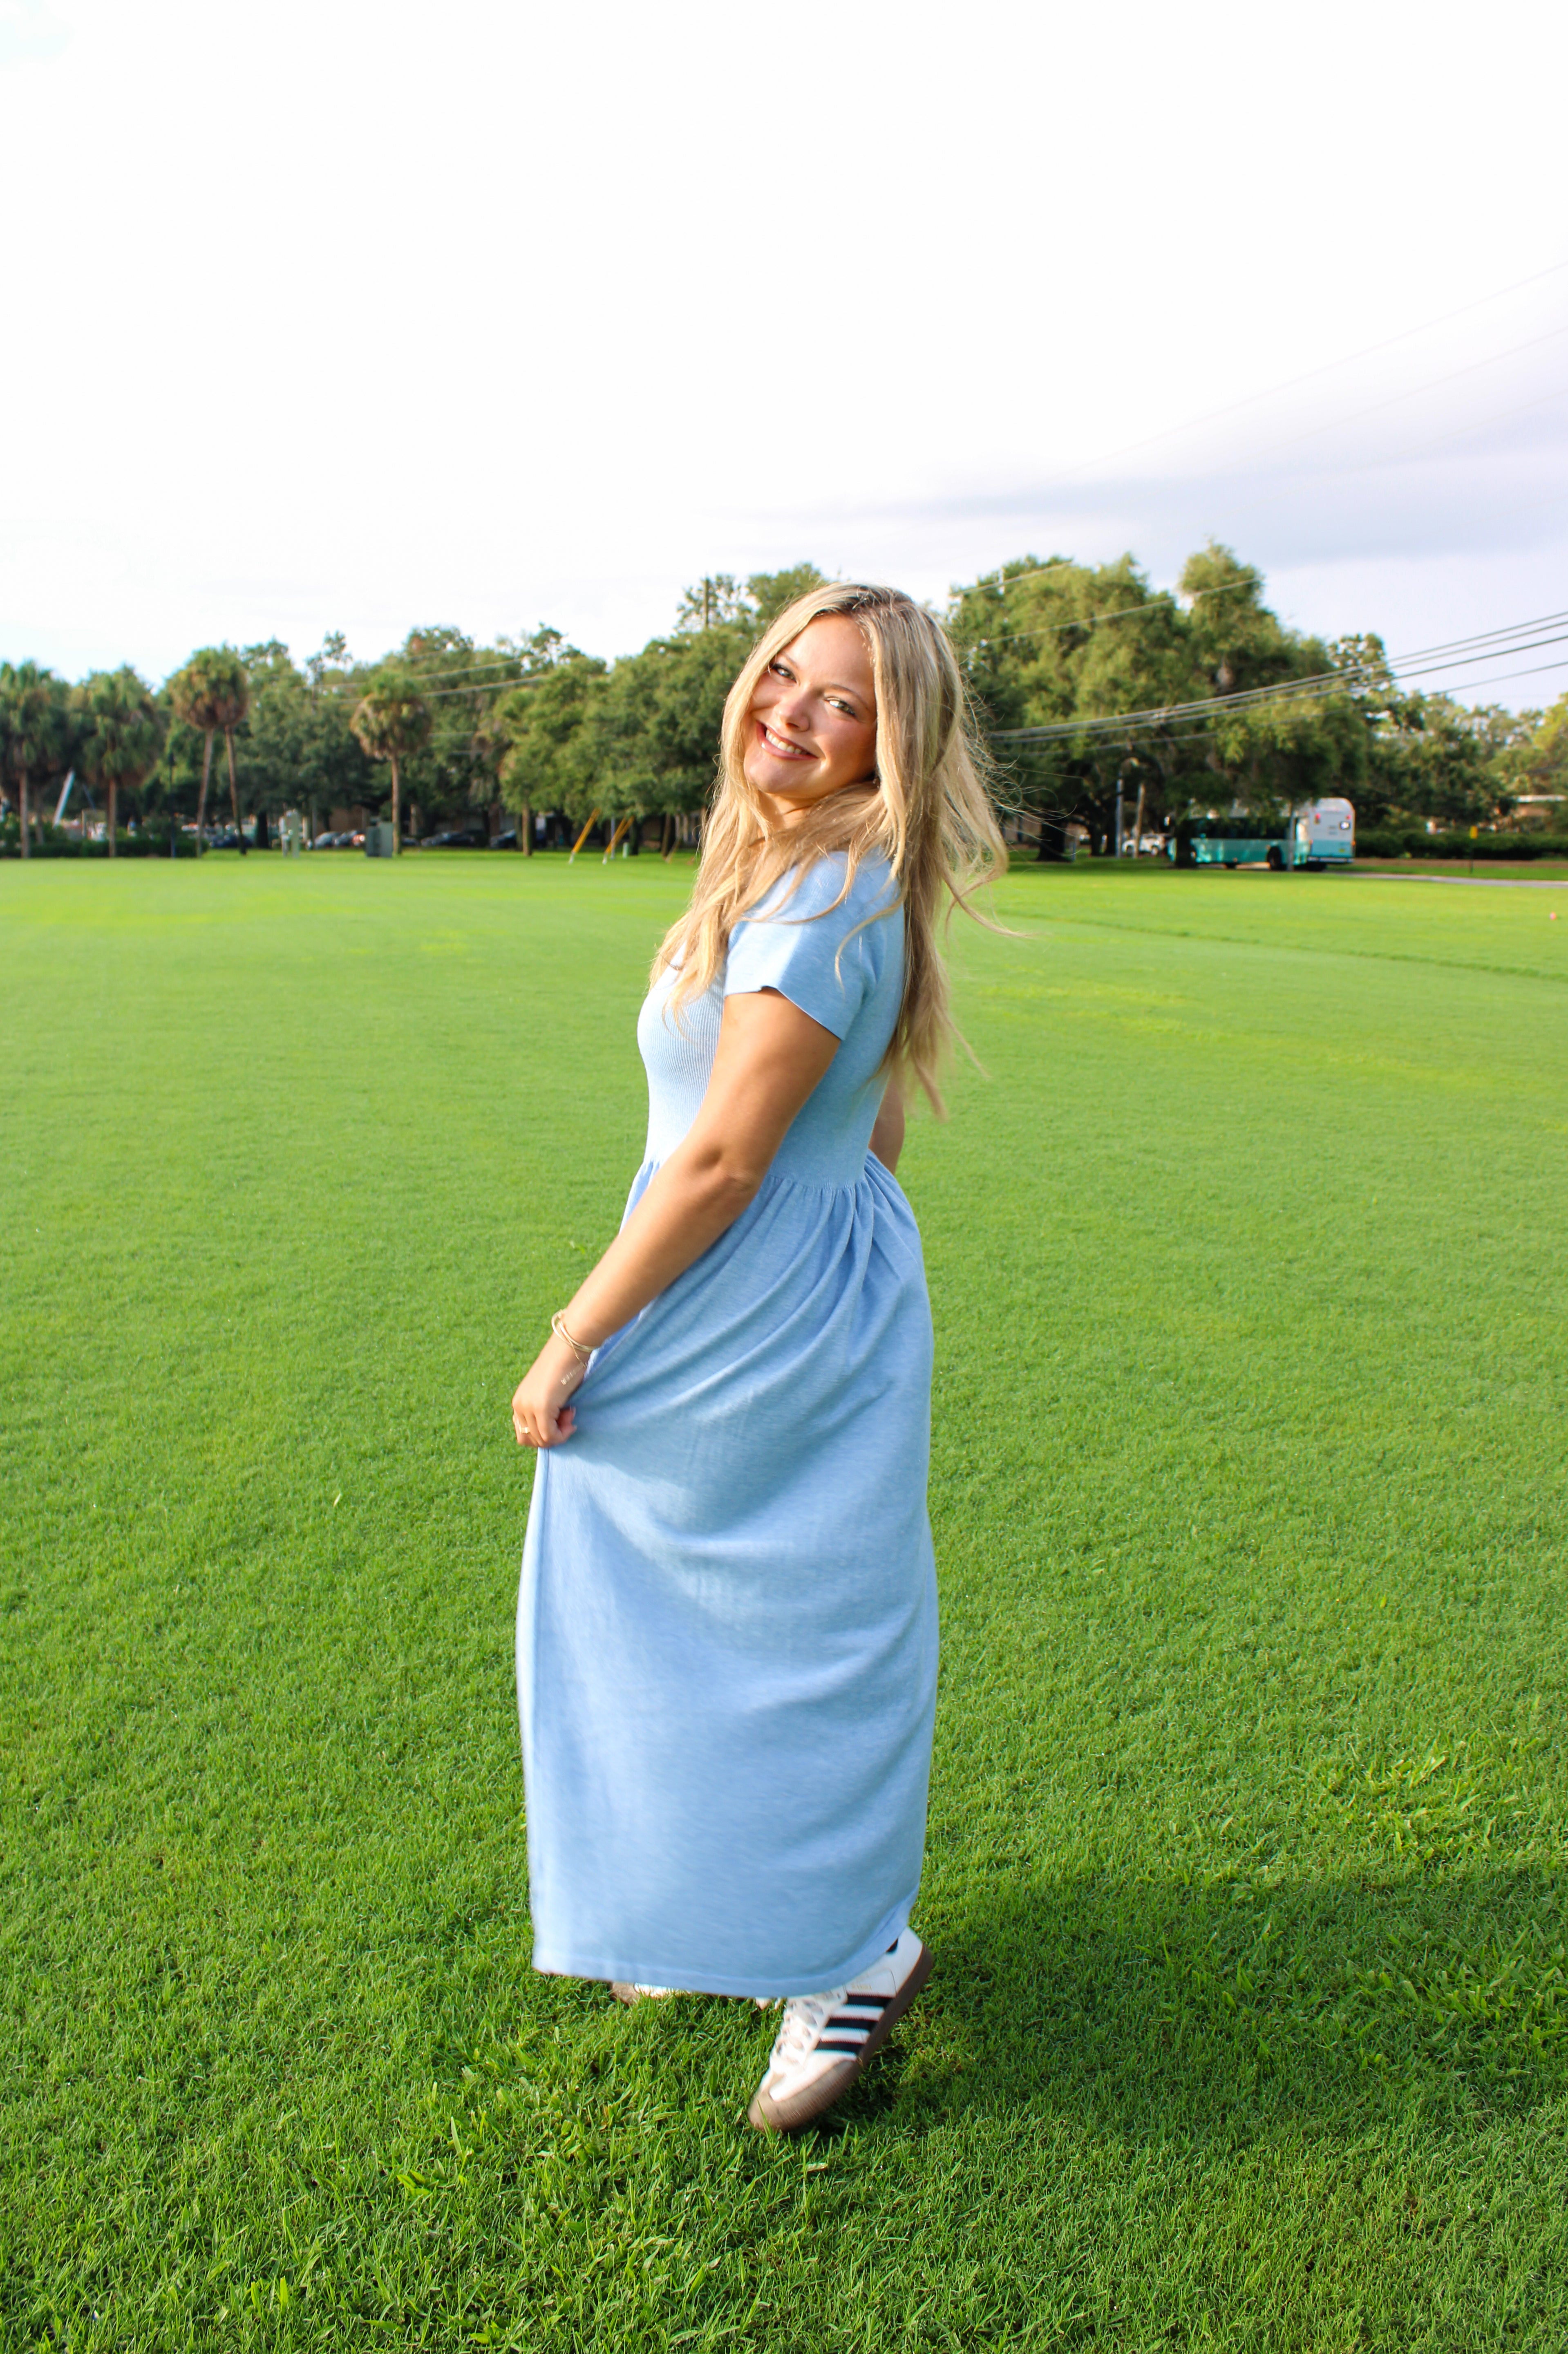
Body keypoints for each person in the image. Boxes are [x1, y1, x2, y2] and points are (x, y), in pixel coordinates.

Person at [511, 582, 1005, 2133]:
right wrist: (850, 1286)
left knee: (791, 1634)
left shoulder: (824, 895)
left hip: (742, 1292)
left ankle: (853, 1954)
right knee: (682, 1619)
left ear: (891, 741)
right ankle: (711, 1913)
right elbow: (876, 1123)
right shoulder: (810, 873)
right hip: (782, 1291)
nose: (792, 709)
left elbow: (724, 1157)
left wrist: (577, 1329)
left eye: (842, 700)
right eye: (783, 673)